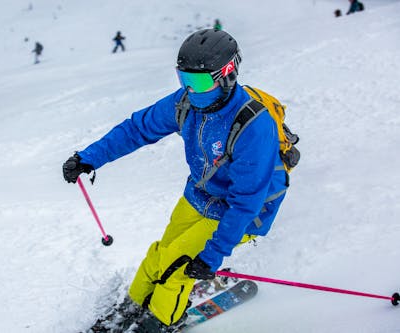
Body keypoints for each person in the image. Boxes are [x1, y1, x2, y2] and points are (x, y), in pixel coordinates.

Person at [63, 29, 289, 332]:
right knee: (160, 255)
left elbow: (247, 202)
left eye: (198, 82)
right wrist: (89, 158)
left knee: (176, 267)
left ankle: (160, 322)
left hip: (246, 211)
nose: (190, 90)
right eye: (184, 80)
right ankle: (133, 307)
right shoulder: (186, 103)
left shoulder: (253, 125)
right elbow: (136, 129)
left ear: (227, 75)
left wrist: (212, 255)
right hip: (201, 195)